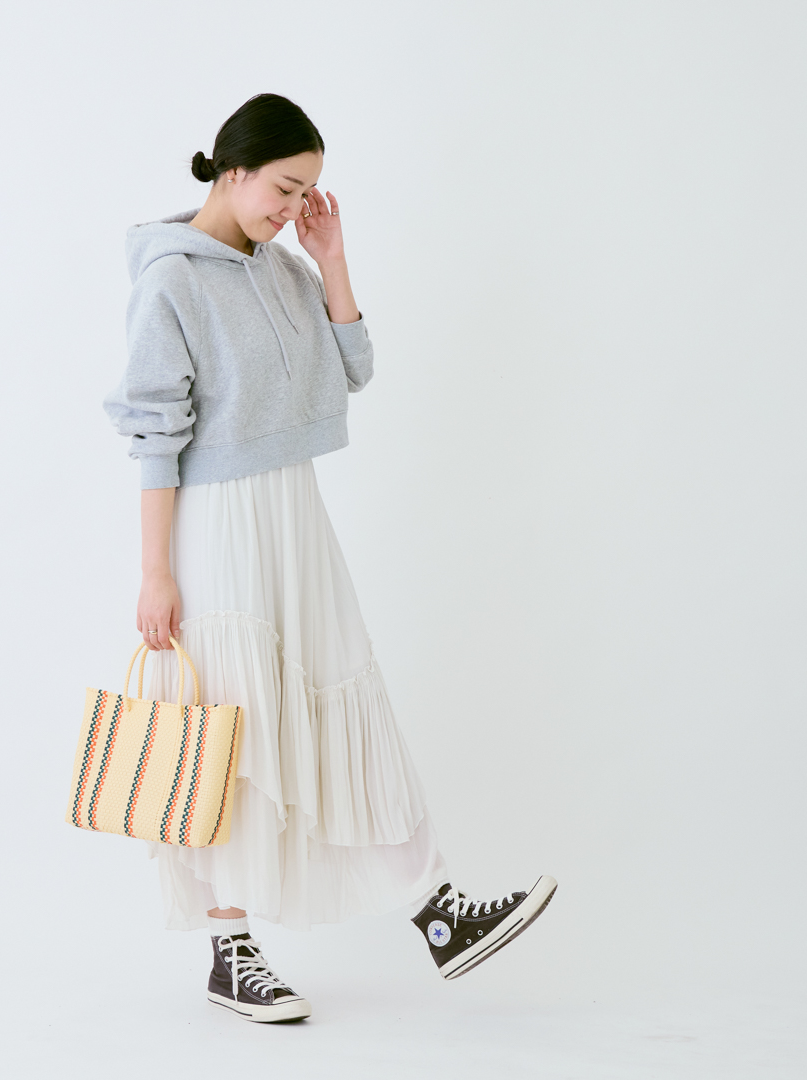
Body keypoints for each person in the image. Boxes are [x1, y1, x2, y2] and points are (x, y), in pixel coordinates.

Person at [103, 93, 556, 1024]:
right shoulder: (170, 281)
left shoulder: (283, 267)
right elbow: (153, 432)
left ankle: (438, 911)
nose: (293, 208)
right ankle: (231, 950)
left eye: (307, 191)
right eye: (284, 188)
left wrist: (332, 259)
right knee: (233, 732)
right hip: (216, 522)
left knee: (349, 694)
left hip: (294, 510)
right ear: (233, 170)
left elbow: (354, 369)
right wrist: (155, 572)